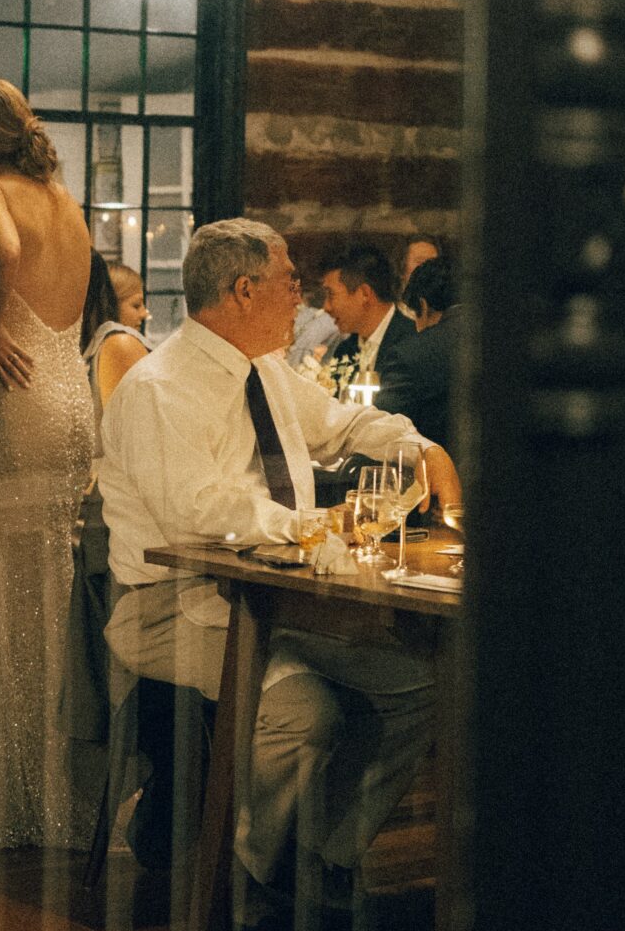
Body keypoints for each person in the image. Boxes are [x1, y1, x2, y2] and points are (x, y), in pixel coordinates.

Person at [97, 218, 463, 885]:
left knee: (419, 681)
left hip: (276, 595)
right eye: (290, 282)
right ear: (242, 291)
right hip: (172, 606)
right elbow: (198, 509)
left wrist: (418, 447)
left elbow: (340, 424)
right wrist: (312, 529)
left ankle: (322, 856)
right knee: (305, 712)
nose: (302, 298)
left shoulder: (265, 371)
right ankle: (234, 872)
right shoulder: (159, 388)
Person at [0, 77, 94, 852]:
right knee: (54, 599)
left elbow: (2, 250)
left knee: (6, 595)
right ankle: (62, 791)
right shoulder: (64, 201)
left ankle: (16, 803)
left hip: (19, 394)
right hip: (70, 392)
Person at [375, 254, 456, 446]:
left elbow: (383, 434)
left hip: (432, 472)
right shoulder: (499, 341)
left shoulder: (410, 355)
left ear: (423, 305)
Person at [320, 241, 416, 397]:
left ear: (365, 293)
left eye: (331, 295)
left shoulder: (411, 345)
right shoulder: (345, 350)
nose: (326, 307)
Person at [80, 249, 148, 440]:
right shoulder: (121, 345)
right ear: (110, 302)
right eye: (136, 305)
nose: (144, 314)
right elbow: (136, 433)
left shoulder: (99, 347)